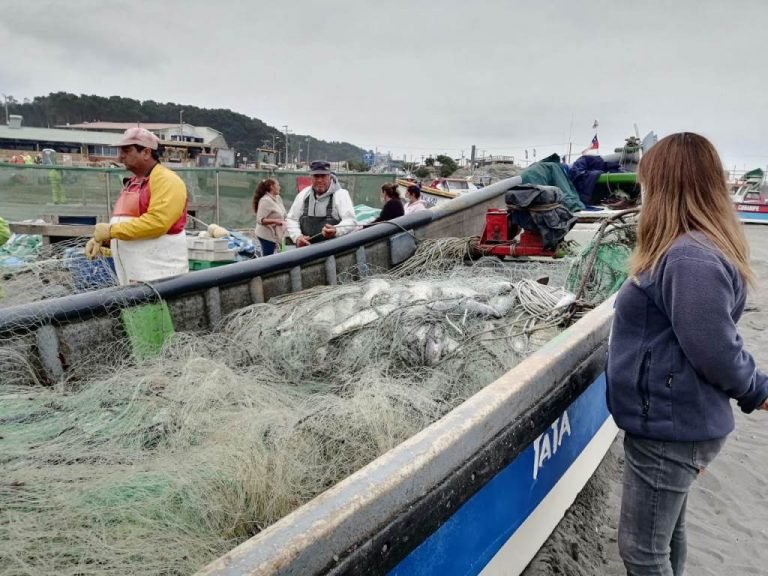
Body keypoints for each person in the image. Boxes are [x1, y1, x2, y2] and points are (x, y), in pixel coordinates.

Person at [607, 132, 768, 576]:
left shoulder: (688, 258)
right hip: (674, 418)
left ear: (666, 186)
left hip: (670, 427)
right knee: (667, 534)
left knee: (641, 550)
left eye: (646, 183)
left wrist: (755, 389)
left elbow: (714, 348)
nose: (641, 193)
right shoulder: (690, 250)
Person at [85, 127, 189, 285]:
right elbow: (131, 227)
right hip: (133, 276)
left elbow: (157, 223)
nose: (120, 157)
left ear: (146, 152)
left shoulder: (167, 180)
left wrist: (111, 231)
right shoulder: (132, 183)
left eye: (126, 151)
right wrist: (105, 243)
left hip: (159, 278)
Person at [286, 160, 356, 247]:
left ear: (329, 176)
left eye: (323, 176)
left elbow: (351, 221)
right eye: (316, 176)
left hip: (333, 252)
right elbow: (292, 219)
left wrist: (336, 230)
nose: (319, 180)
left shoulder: (341, 195)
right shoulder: (303, 195)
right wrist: (297, 237)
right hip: (306, 251)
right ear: (311, 177)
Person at [253, 177, 287, 256]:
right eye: (278, 185)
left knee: (279, 254)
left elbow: (283, 213)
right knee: (268, 258)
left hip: (277, 234)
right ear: (272, 187)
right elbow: (259, 219)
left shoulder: (278, 198)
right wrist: (276, 221)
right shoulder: (265, 200)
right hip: (266, 235)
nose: (280, 187)